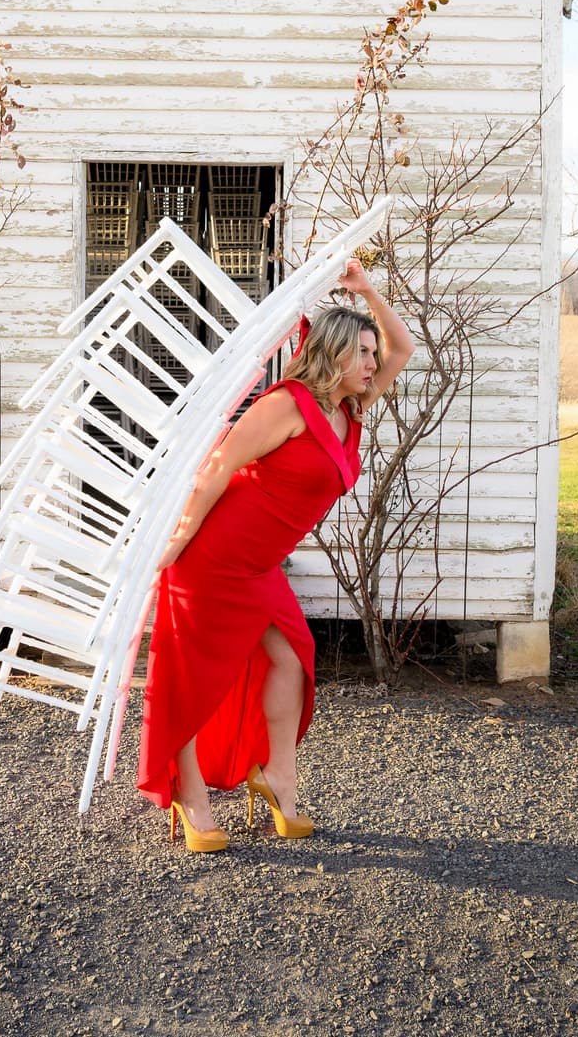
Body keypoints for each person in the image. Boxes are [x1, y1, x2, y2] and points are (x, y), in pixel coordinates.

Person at [135, 259, 415, 851]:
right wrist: (180, 541)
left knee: (294, 658)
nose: (371, 363)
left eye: (370, 353)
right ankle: (191, 795)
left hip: (259, 566)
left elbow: (403, 349)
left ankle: (275, 776)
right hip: (212, 557)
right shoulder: (286, 405)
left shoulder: (349, 410)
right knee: (194, 678)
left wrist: (366, 293)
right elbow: (218, 468)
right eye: (361, 352)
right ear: (334, 354)